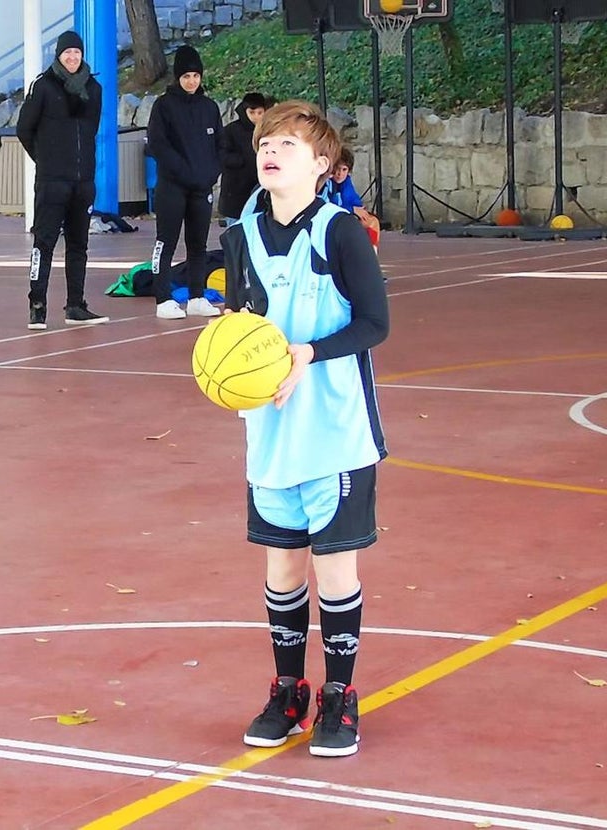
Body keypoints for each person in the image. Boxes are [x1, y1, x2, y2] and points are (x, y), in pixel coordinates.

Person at [218, 100, 389, 757]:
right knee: (283, 568)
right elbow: (241, 320)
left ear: (323, 166)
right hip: (271, 427)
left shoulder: (340, 232)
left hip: (336, 430)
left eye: (290, 144)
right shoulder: (241, 234)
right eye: (267, 141)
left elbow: (376, 324)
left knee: (334, 570)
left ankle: (339, 696)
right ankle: (288, 689)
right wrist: (228, 358)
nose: (272, 151)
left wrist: (307, 353)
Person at [16, 30, 108, 330]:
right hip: (51, 181)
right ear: (58, 55)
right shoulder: (43, 86)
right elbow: (24, 129)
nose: (72, 57)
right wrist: (46, 160)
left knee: (79, 244)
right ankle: (37, 305)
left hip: (83, 183)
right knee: (44, 243)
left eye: (77, 53)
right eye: (67, 53)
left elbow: (91, 129)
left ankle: (76, 305)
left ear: (82, 55)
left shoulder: (93, 88)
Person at [145, 45, 223, 320]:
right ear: (177, 77)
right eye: (186, 75)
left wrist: (211, 174)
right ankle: (163, 298)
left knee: (198, 244)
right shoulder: (163, 106)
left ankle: (197, 296)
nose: (191, 81)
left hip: (201, 190)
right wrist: (183, 172)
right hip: (172, 188)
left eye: (196, 75)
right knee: (165, 241)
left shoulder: (209, 107)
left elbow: (219, 147)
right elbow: (158, 145)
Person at [219, 92, 268, 226]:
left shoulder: (269, 131)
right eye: (252, 112)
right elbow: (221, 155)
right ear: (244, 111)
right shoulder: (231, 131)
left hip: (262, 190)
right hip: (236, 192)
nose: (256, 117)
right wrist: (243, 160)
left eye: (260, 112)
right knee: (236, 233)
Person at [324, 146, 381, 256]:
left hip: (344, 216)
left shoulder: (346, 183)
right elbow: (327, 206)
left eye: (344, 169)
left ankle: (371, 255)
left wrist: (360, 211)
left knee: (372, 222)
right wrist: (352, 209)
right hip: (330, 219)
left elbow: (354, 200)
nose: (340, 173)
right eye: (337, 169)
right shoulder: (326, 183)